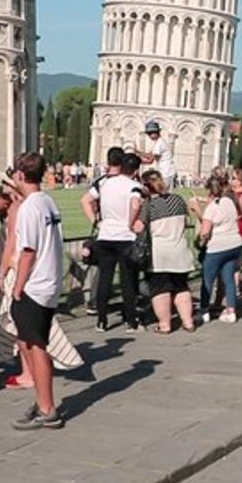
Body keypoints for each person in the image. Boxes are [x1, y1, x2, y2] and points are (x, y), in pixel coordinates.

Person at [8, 152, 66, 430]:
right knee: (31, 344)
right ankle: (43, 400)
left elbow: (28, 251)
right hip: (49, 281)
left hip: (35, 284)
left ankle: (47, 407)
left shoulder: (30, 208)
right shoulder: (47, 201)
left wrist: (17, 288)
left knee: (36, 346)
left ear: (20, 175)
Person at [82, 148, 145, 332]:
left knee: (105, 279)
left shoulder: (104, 184)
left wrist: (97, 221)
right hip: (125, 236)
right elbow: (135, 204)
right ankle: (131, 321)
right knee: (127, 281)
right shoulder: (133, 185)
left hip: (106, 235)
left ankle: (101, 321)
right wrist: (131, 222)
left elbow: (85, 200)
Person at [139, 169, 196, 332]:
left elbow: (138, 227)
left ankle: (164, 324)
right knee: (181, 287)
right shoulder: (177, 200)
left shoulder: (149, 205)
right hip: (180, 250)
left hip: (159, 253)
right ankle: (188, 321)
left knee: (160, 289)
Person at [193, 172, 242, 324]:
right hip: (234, 243)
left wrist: (200, 241)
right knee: (228, 278)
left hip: (217, 246)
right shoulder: (229, 202)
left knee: (207, 279)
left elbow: (204, 231)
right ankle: (231, 310)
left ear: (209, 191)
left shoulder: (211, 208)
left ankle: (203, 310)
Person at [140, 120, 176, 188]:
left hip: (166, 172)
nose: (149, 136)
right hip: (165, 170)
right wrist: (137, 152)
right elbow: (149, 154)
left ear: (156, 133)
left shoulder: (159, 144)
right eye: (148, 134)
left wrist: (138, 161)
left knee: (163, 191)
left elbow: (150, 161)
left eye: (150, 134)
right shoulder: (158, 142)